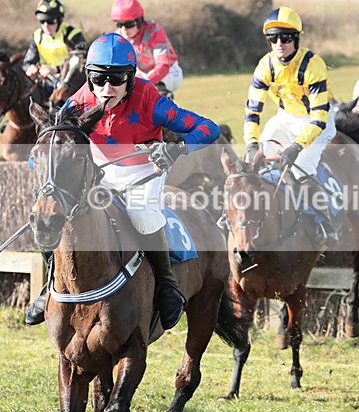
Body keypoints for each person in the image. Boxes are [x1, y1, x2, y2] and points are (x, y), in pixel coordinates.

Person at [25, 32, 220, 330]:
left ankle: (167, 287)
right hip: (100, 172)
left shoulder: (150, 101)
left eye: (116, 79)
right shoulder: (78, 102)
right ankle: (50, 284)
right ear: (89, 77)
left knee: (142, 216)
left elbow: (209, 128)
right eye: (98, 78)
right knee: (52, 214)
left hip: (143, 172)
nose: (106, 88)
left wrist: (175, 148)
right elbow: (52, 142)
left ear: (130, 77)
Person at [242, 6, 338, 246]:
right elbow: (252, 113)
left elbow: (318, 119)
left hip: (318, 122)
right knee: (251, 162)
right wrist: (252, 145)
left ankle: (324, 224)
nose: (279, 43)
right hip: (285, 118)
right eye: (272, 38)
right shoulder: (265, 66)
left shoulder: (313, 65)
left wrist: (296, 147)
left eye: (285, 37)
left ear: (296, 38)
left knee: (300, 168)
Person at [111, 0, 183, 99]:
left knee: (153, 89)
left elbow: (163, 65)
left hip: (170, 72)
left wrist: (145, 83)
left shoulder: (154, 31)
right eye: (119, 24)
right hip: (141, 73)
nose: (124, 29)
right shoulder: (118, 37)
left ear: (139, 21)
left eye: (129, 24)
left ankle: (164, 103)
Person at [22, 0, 87, 94]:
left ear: (59, 20)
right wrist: (30, 67)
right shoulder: (37, 36)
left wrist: (55, 69)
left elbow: (82, 64)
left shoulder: (73, 35)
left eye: (50, 22)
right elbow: (27, 62)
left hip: (68, 83)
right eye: (42, 21)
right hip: (44, 82)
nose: (46, 26)